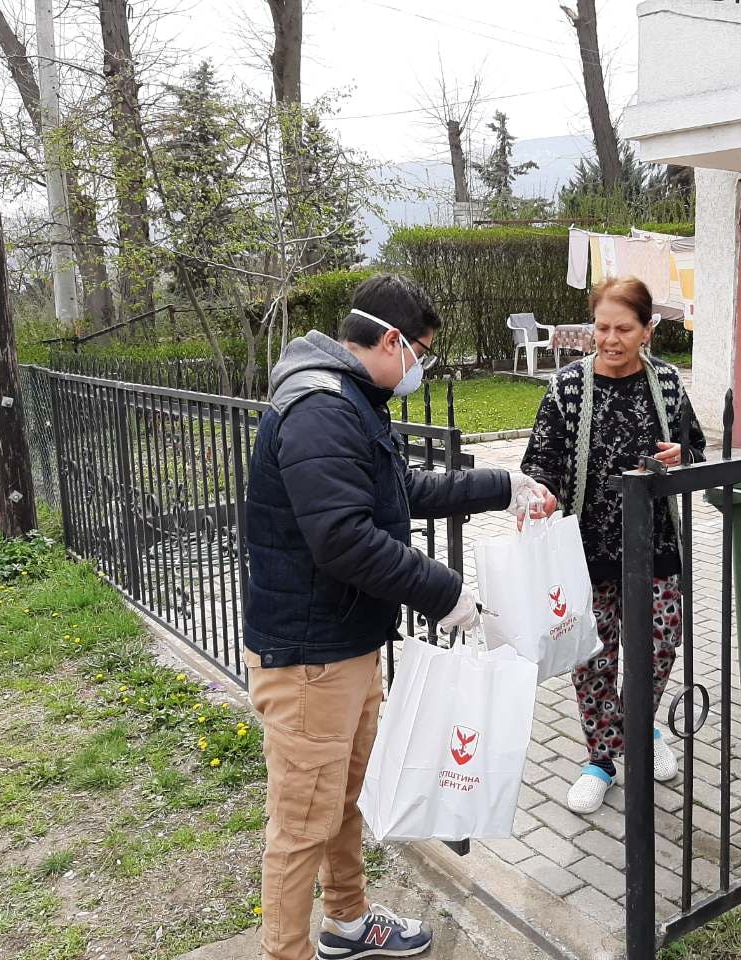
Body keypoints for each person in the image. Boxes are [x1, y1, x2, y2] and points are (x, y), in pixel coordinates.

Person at [243, 273, 554, 960]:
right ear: (390, 340)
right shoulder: (321, 409)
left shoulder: (353, 398)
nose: (422, 366)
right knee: (301, 825)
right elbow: (345, 538)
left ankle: (347, 923)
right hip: (308, 657)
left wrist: (505, 485)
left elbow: (397, 490)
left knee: (342, 801)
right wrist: (446, 595)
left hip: (343, 644)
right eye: (421, 352)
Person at [521, 276, 706, 815]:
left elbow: (693, 448)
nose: (610, 339)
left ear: (647, 331)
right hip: (587, 549)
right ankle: (601, 760)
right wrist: (543, 497)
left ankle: (641, 728)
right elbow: (539, 464)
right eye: (602, 327)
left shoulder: (668, 385)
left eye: (624, 328)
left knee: (661, 644)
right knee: (594, 659)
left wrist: (682, 457)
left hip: (655, 545)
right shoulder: (568, 388)